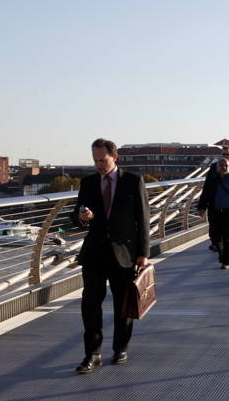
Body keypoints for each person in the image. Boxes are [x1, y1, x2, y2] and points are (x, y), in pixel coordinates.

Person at [72, 138, 150, 374]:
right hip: (94, 253)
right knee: (90, 305)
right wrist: (82, 217)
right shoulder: (88, 182)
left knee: (123, 306)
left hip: (124, 254)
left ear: (114, 157)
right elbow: (76, 216)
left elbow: (143, 219)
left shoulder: (133, 181)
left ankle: (120, 348)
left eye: (102, 160)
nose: (98, 165)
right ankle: (92, 354)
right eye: (95, 160)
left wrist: (143, 254)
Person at [198, 158, 229, 269]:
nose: (223, 167)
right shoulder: (212, 179)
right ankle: (221, 253)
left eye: (226, 165)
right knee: (214, 236)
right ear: (217, 167)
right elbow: (205, 194)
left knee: (228, 238)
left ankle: (226, 262)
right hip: (215, 213)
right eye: (221, 165)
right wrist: (201, 207)